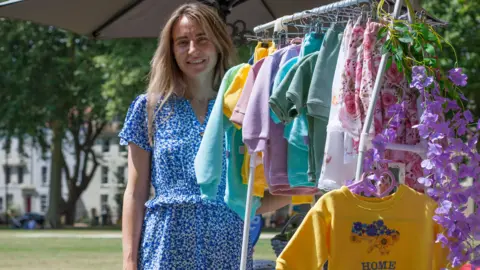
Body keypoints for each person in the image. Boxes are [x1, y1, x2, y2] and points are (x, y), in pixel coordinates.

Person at [119, 3, 291, 269]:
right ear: (171, 50)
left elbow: (255, 196)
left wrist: (307, 186)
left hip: (228, 245)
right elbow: (135, 192)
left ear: (218, 43)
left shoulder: (244, 105)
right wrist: (129, 262)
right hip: (165, 245)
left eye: (202, 39)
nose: (193, 50)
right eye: (182, 42)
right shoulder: (149, 108)